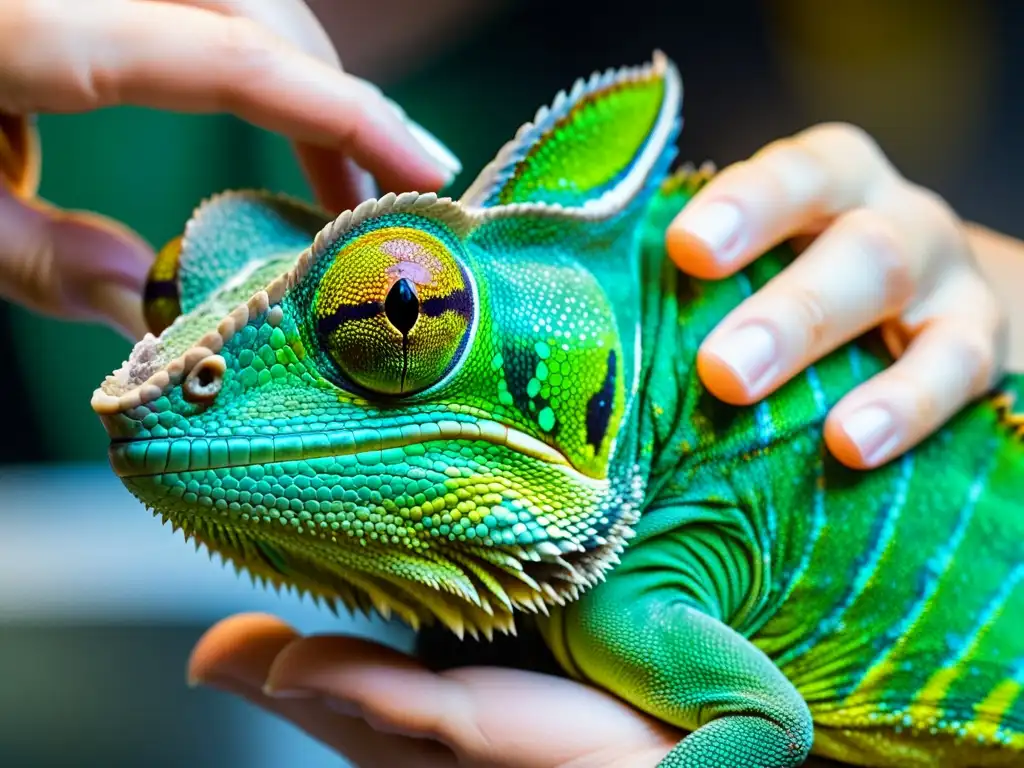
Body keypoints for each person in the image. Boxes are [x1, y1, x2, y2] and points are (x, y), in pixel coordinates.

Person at [2, 2, 1023, 765]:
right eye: (174, 289)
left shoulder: (630, 602)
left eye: (392, 320)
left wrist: (999, 285)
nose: (195, 366)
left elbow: (764, 722)